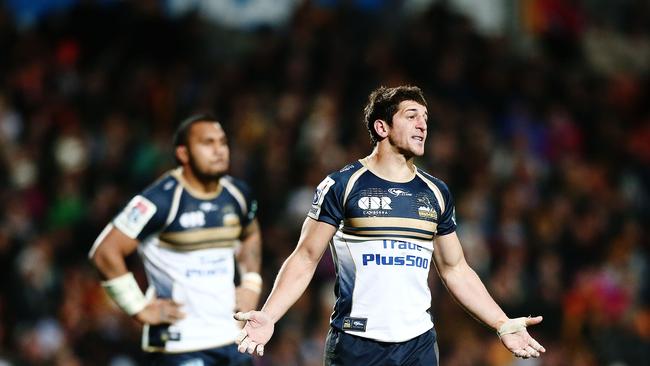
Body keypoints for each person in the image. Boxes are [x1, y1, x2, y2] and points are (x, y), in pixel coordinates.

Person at [234, 86, 546, 365]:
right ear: (381, 127)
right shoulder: (343, 185)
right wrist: (270, 315)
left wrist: (502, 323)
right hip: (356, 344)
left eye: (425, 118)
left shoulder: (436, 193)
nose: (423, 125)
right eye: (411, 116)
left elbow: (455, 269)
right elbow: (305, 257)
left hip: (419, 345)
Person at [89, 114, 262, 366]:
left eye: (222, 142)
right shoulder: (160, 200)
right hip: (179, 345)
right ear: (183, 153)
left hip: (231, 338)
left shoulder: (238, 194)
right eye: (207, 143)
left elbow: (251, 234)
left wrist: (251, 283)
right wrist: (138, 307)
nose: (219, 150)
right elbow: (105, 252)